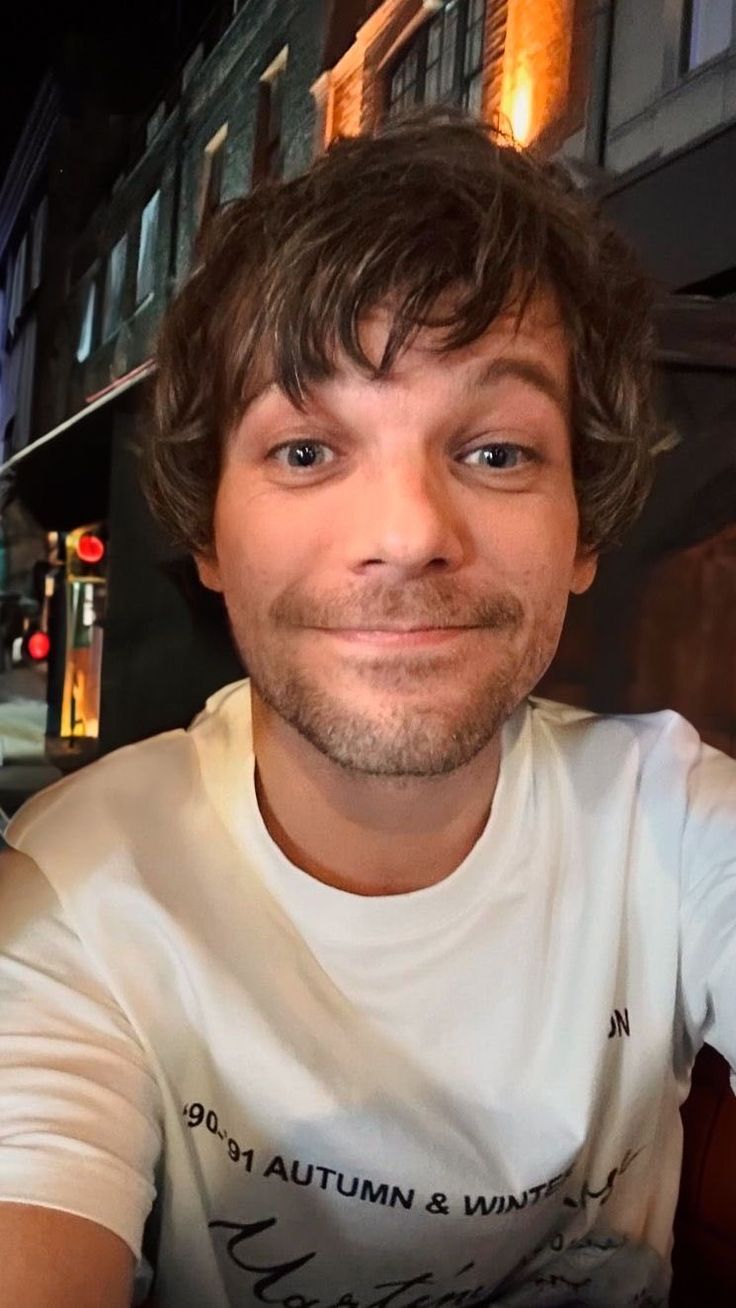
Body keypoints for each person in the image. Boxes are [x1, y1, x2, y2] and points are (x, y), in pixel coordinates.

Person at [0, 108, 733, 1308]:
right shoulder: (79, 892)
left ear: (583, 529)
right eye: (305, 452)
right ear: (209, 536)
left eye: (495, 452)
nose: (405, 536)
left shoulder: (675, 821)